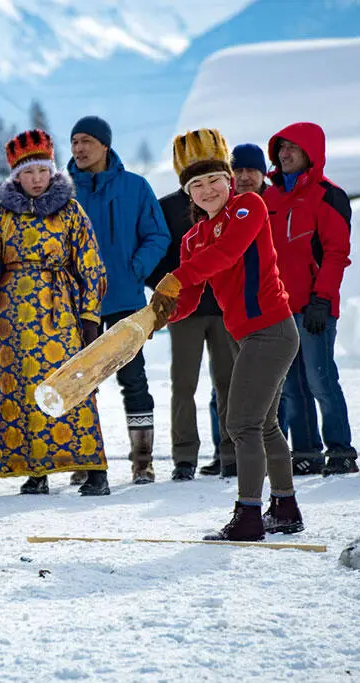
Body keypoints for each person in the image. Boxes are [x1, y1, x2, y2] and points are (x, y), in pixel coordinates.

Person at [149, 128, 302, 542]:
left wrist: (174, 279)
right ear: (188, 193)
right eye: (195, 185)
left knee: (242, 423)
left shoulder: (247, 207)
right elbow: (191, 295)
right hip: (247, 335)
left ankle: (249, 517)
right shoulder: (192, 238)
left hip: (272, 329)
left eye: (213, 179)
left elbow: (227, 254)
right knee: (265, 425)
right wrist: (156, 317)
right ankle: (285, 508)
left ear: (229, 179)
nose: (207, 190)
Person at [0, 129, 109, 495]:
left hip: (59, 312)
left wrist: (89, 315)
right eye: (28, 173)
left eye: (42, 171)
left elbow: (90, 262)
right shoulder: (2, 215)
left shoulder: (71, 211)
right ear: (16, 176)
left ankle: (93, 469)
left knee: (71, 385)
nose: (36, 179)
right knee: (22, 390)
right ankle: (36, 470)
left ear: (52, 172)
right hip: (12, 317)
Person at [67, 115, 170, 484]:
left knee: (134, 379)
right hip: (78, 304)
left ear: (105, 145)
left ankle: (142, 461)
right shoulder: (63, 192)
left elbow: (158, 235)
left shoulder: (135, 187)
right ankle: (83, 458)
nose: (78, 148)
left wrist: (135, 268)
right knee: (78, 382)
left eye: (86, 141)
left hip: (126, 299)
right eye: (74, 141)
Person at [263, 122, 358, 476]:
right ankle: (306, 453)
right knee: (291, 385)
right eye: (281, 148)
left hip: (314, 306)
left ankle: (341, 450)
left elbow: (336, 253)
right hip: (280, 309)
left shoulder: (328, 194)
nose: (285, 154)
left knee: (320, 379)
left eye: (293, 148)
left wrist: (323, 298)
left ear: (311, 154)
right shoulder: (269, 197)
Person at [147, 137, 244, 482]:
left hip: (224, 308)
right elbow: (155, 250)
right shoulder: (168, 207)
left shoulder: (233, 205)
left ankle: (231, 453)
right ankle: (184, 456)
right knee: (183, 383)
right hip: (185, 310)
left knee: (229, 382)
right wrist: (166, 290)